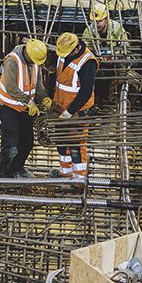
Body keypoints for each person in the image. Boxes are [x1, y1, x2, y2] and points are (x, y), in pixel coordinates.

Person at [0, 38, 49, 178]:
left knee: (27, 142)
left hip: (24, 108)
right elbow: (11, 88)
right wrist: (29, 102)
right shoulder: (12, 61)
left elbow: (39, 85)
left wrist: (44, 97)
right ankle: (5, 174)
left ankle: (17, 167)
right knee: (11, 143)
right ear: (28, 54)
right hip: (8, 106)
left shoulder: (35, 62)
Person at [52, 32, 97, 184]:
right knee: (61, 140)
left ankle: (79, 179)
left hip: (78, 109)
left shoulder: (87, 62)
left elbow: (86, 92)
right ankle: (65, 172)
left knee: (76, 143)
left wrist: (70, 112)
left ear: (76, 48)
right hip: (61, 106)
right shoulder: (63, 53)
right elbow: (57, 78)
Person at [82, 3, 129, 107]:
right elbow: (84, 50)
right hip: (97, 63)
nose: (96, 24)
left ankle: (108, 97)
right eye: (93, 21)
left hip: (113, 62)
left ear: (106, 19)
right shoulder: (89, 31)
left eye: (99, 21)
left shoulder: (117, 28)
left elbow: (125, 46)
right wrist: (93, 56)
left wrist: (114, 56)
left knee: (109, 74)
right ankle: (96, 100)